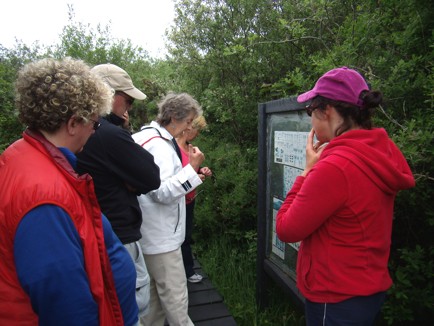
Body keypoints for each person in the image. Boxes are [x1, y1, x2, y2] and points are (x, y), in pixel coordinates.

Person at [0, 57, 138, 325]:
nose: (93, 132)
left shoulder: (23, 153)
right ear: (73, 123)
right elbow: (65, 304)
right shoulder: (44, 197)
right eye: (94, 124)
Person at [275, 67, 415, 325]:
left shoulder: (335, 167)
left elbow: (286, 229)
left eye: (310, 113)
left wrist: (306, 172)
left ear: (326, 111)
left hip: (335, 296)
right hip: (366, 289)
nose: (311, 122)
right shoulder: (378, 153)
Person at [76, 63, 161, 318]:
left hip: (97, 233)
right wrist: (122, 131)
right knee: (133, 305)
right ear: (108, 95)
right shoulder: (108, 135)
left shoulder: (84, 131)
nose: (130, 107)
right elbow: (151, 177)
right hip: (120, 236)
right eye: (127, 99)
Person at [132, 92, 205, 326]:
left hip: (145, 233)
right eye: (188, 121)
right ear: (173, 117)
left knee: (152, 305)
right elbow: (161, 192)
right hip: (162, 238)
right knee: (176, 302)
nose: (189, 127)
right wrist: (192, 169)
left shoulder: (142, 136)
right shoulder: (159, 146)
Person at [176, 115, 213, 283]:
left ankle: (185, 270)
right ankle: (187, 272)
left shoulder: (191, 149)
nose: (197, 135)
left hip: (189, 199)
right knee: (181, 237)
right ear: (188, 127)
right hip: (177, 201)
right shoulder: (173, 148)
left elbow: (190, 174)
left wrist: (202, 172)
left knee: (186, 235)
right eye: (197, 131)